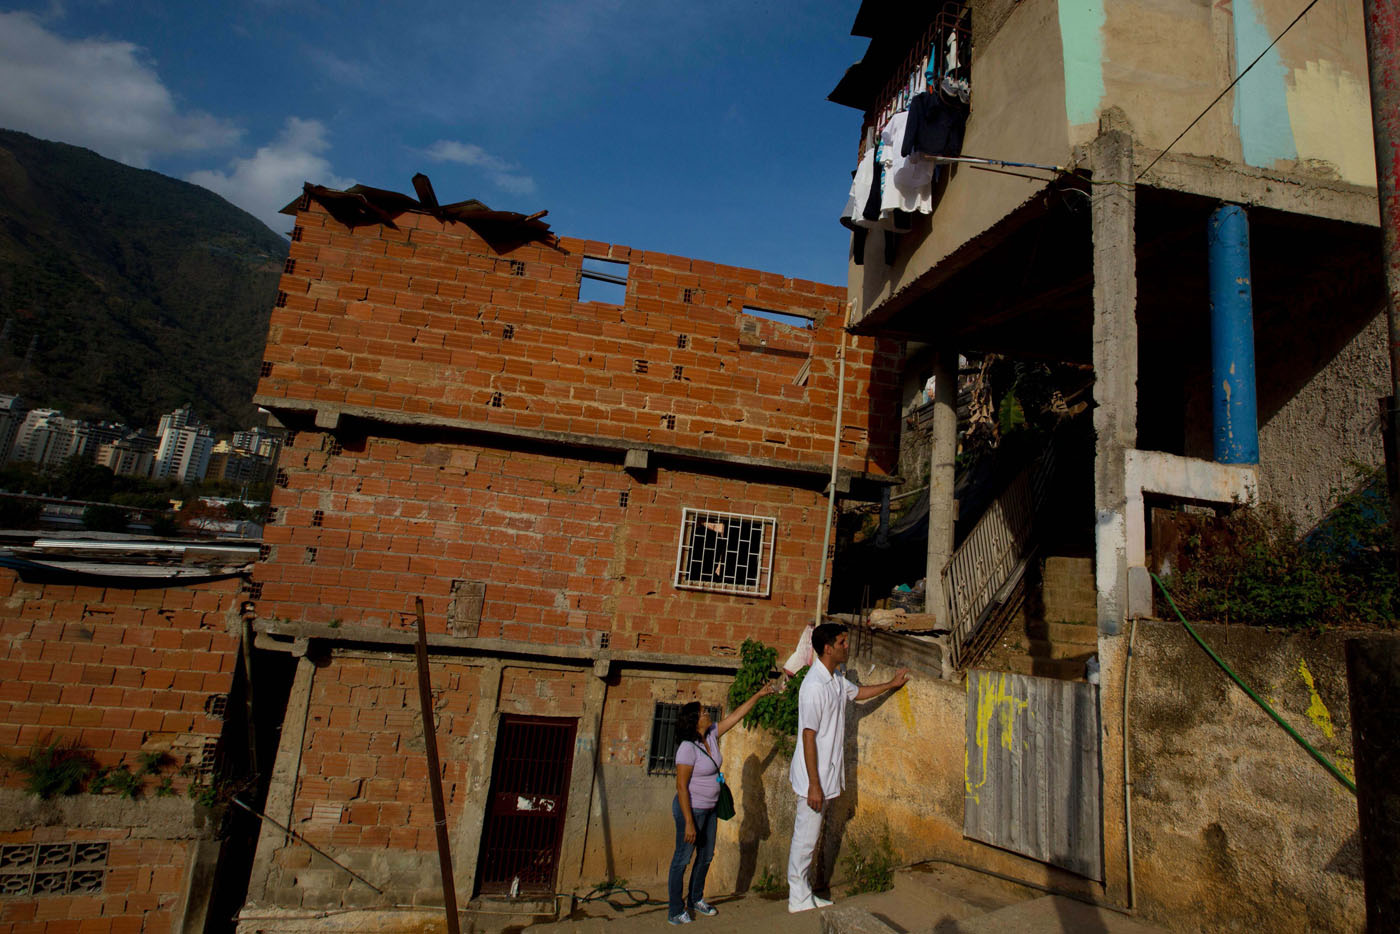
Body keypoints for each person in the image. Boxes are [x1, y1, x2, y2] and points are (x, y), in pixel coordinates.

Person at [787, 622, 909, 913]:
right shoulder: (813, 686)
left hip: (825, 773)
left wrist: (891, 684)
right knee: (805, 837)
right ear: (828, 649)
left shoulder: (836, 678)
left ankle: (803, 893)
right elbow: (808, 735)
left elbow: (858, 693)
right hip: (812, 778)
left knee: (810, 836)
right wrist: (814, 784)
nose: (847, 646)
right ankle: (797, 897)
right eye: (842, 642)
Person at [668, 681, 778, 925]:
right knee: (682, 859)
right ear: (695, 722)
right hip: (691, 810)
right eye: (703, 712)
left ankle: (696, 898)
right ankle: (675, 909)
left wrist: (759, 694)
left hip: (710, 809)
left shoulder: (712, 735)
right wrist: (688, 822)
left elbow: (738, 715)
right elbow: (681, 787)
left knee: (706, 857)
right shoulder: (687, 749)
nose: (707, 713)